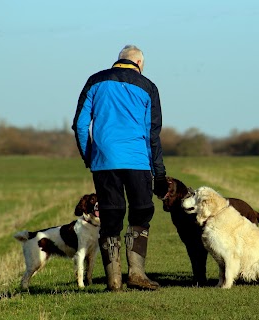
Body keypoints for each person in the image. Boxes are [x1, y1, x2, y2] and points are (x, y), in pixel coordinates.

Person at [72, 45, 168, 292]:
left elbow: (80, 125)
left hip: (104, 163)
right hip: (138, 162)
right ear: (138, 63)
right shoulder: (148, 87)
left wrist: (90, 157)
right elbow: (152, 135)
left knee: (111, 217)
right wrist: (159, 173)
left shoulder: (94, 81)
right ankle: (136, 274)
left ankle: (114, 281)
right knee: (141, 213)